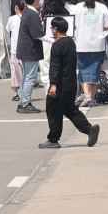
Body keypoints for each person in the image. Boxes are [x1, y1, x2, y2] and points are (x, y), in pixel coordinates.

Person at [40, 17, 101, 149]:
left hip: (60, 84)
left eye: (52, 28)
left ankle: (53, 139)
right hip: (71, 83)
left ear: (56, 29)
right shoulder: (70, 42)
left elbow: (55, 66)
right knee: (70, 110)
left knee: (53, 110)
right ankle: (89, 130)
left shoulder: (57, 45)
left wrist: (53, 84)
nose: (51, 30)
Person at [68, 0, 108, 107]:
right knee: (94, 71)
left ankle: (88, 96)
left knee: (83, 70)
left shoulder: (77, 8)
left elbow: (72, 25)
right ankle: (90, 96)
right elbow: (107, 27)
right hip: (98, 44)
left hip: (81, 43)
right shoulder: (103, 8)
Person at [16, 0, 44, 113]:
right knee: (30, 77)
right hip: (30, 50)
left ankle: (23, 101)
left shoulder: (26, 11)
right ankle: (25, 103)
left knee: (27, 76)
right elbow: (37, 34)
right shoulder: (32, 14)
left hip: (24, 49)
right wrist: (50, 39)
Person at [6, 0, 24, 102]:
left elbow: (7, 29)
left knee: (15, 72)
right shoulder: (27, 18)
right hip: (24, 49)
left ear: (16, 8)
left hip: (15, 49)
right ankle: (24, 92)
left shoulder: (12, 19)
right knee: (24, 71)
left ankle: (18, 92)